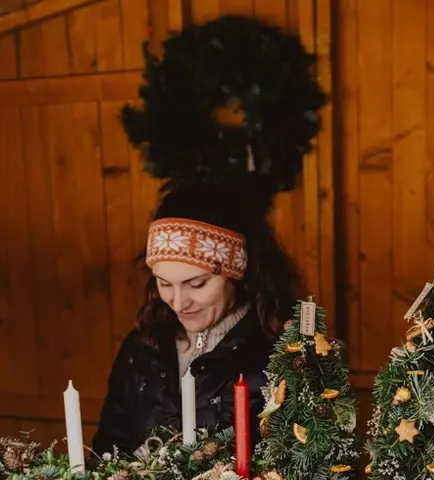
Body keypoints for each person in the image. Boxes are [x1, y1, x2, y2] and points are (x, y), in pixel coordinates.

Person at [92, 181, 303, 457]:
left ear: (236, 273)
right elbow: (108, 452)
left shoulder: (282, 355)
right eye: (164, 283)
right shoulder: (141, 349)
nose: (178, 303)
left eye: (197, 284)